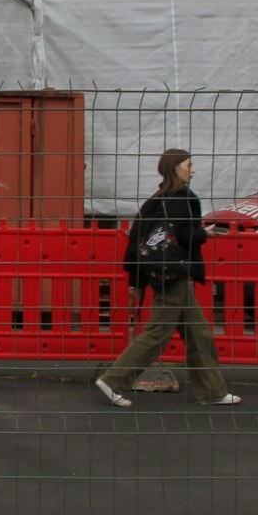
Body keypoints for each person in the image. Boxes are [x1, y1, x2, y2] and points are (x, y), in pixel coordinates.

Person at [95, 148, 240, 407]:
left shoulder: (155, 200)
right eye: (188, 165)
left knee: (198, 334)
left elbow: (139, 241)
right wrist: (206, 234)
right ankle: (114, 379)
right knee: (158, 333)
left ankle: (212, 391)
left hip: (164, 273)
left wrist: (136, 281)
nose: (192, 170)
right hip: (176, 274)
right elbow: (184, 236)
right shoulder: (182, 199)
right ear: (176, 168)